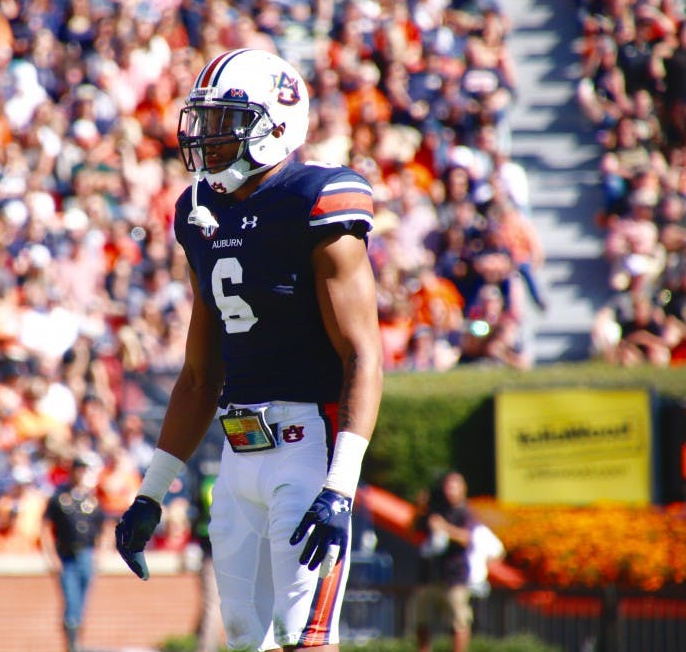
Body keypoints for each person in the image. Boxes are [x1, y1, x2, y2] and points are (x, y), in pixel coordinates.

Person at [114, 49, 384, 652]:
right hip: (239, 457)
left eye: (226, 123)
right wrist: (150, 492)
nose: (208, 140)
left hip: (308, 446)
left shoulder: (316, 199)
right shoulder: (199, 211)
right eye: (204, 123)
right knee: (245, 640)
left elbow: (363, 355)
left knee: (304, 640)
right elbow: (198, 375)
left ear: (278, 122)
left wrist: (340, 485)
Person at [42, 456, 105, 652]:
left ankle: (78, 643)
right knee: (71, 602)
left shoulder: (92, 500)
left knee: (82, 604)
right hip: (67, 555)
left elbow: (103, 527)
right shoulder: (60, 498)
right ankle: (71, 646)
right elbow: (45, 527)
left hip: (86, 554)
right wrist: (51, 556)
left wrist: (100, 554)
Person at [410, 472, 478, 652]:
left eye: (455, 486)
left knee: (458, 622)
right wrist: (421, 507)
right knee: (422, 622)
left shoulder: (465, 512)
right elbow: (413, 529)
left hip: (454, 578)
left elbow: (467, 538)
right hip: (430, 576)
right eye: (447, 486)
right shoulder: (435, 510)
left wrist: (445, 528)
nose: (450, 491)